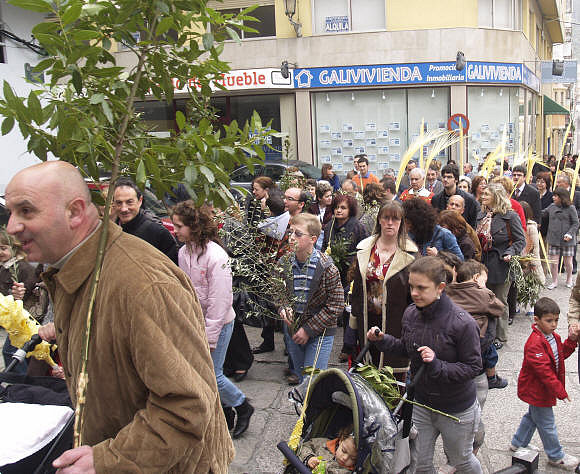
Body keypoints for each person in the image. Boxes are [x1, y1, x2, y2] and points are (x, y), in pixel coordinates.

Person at [6, 161, 233, 472]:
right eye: (11, 211)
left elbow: (186, 408)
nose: (11, 227)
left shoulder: (142, 284)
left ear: (74, 212)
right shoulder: (74, 270)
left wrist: (108, 460)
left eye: (27, 211)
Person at [367, 256, 483, 474]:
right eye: (411, 286)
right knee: (419, 463)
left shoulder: (463, 323)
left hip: (455, 408)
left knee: (461, 461)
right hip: (422, 403)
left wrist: (438, 365)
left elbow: (473, 367)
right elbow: (406, 349)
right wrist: (382, 340)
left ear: (440, 288)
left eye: (421, 288)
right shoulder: (411, 313)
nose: (414, 293)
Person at [171, 201, 254, 439]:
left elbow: (220, 301)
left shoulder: (216, 256)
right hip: (197, 322)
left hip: (219, 323)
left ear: (193, 226)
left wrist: (210, 336)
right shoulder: (183, 252)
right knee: (208, 373)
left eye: (179, 226)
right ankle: (226, 413)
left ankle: (243, 406)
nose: (175, 230)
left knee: (212, 375)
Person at [347, 200, 416, 377]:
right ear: (379, 220)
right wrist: (351, 328)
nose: (390, 223)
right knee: (367, 374)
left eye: (395, 219)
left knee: (392, 378)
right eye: (386, 218)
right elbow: (357, 293)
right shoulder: (364, 249)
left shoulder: (412, 255)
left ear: (402, 223)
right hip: (366, 320)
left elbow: (415, 298)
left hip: (396, 324)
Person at [510, 297, 579, 470]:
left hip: (541, 390)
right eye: (549, 321)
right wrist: (560, 391)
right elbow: (544, 372)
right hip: (537, 390)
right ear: (537, 320)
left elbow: (559, 356)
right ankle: (556, 456)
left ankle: (518, 443)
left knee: (533, 417)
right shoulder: (534, 344)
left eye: (556, 320)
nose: (554, 324)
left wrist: (570, 341)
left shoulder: (552, 336)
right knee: (547, 424)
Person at [279, 213, 344, 384]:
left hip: (320, 331)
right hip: (294, 328)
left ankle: (313, 410)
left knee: (312, 382)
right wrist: (283, 307)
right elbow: (277, 291)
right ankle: (304, 411)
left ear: (313, 239)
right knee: (301, 379)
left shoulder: (326, 267)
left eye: (298, 234)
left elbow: (336, 305)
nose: (291, 238)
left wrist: (308, 329)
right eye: (290, 232)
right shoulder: (284, 262)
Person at [476, 182, 526, 348]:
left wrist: (510, 252)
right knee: (483, 301)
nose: (482, 197)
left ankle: (501, 337)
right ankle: (485, 334)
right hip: (482, 265)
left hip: (501, 265)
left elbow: (521, 240)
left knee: (500, 301)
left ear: (496, 198)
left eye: (486, 195)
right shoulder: (481, 215)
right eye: (482, 194)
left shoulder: (510, 216)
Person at [113, 177, 179, 264]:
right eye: (119, 203)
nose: (124, 208)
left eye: (129, 202)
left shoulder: (158, 233)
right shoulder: (111, 231)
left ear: (140, 201)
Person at [0, 232, 39, 374]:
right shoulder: (4, 267)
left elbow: (29, 287)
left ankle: (20, 385)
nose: (0, 252)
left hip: (24, 318)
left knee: (12, 352)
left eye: (3, 248)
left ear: (13, 248)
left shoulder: (22, 267)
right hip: (13, 319)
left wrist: (18, 293)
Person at [542, 187, 579, 289]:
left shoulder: (571, 208)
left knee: (568, 262)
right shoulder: (552, 206)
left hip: (567, 240)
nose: (553, 198)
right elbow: (543, 214)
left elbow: (576, 223)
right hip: (553, 239)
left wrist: (570, 234)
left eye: (556, 196)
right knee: (554, 262)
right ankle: (554, 281)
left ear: (562, 197)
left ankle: (569, 278)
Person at [520, 201, 545, 314]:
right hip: (521, 259)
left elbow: (535, 247)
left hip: (529, 259)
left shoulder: (531, 227)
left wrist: (533, 261)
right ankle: (518, 304)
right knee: (520, 283)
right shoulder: (518, 224)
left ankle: (532, 305)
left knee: (532, 284)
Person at [446, 195, 482, 261]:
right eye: (451, 204)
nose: (453, 207)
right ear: (447, 207)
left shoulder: (467, 228)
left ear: (462, 210)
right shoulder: (441, 222)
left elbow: (477, 251)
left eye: (457, 205)